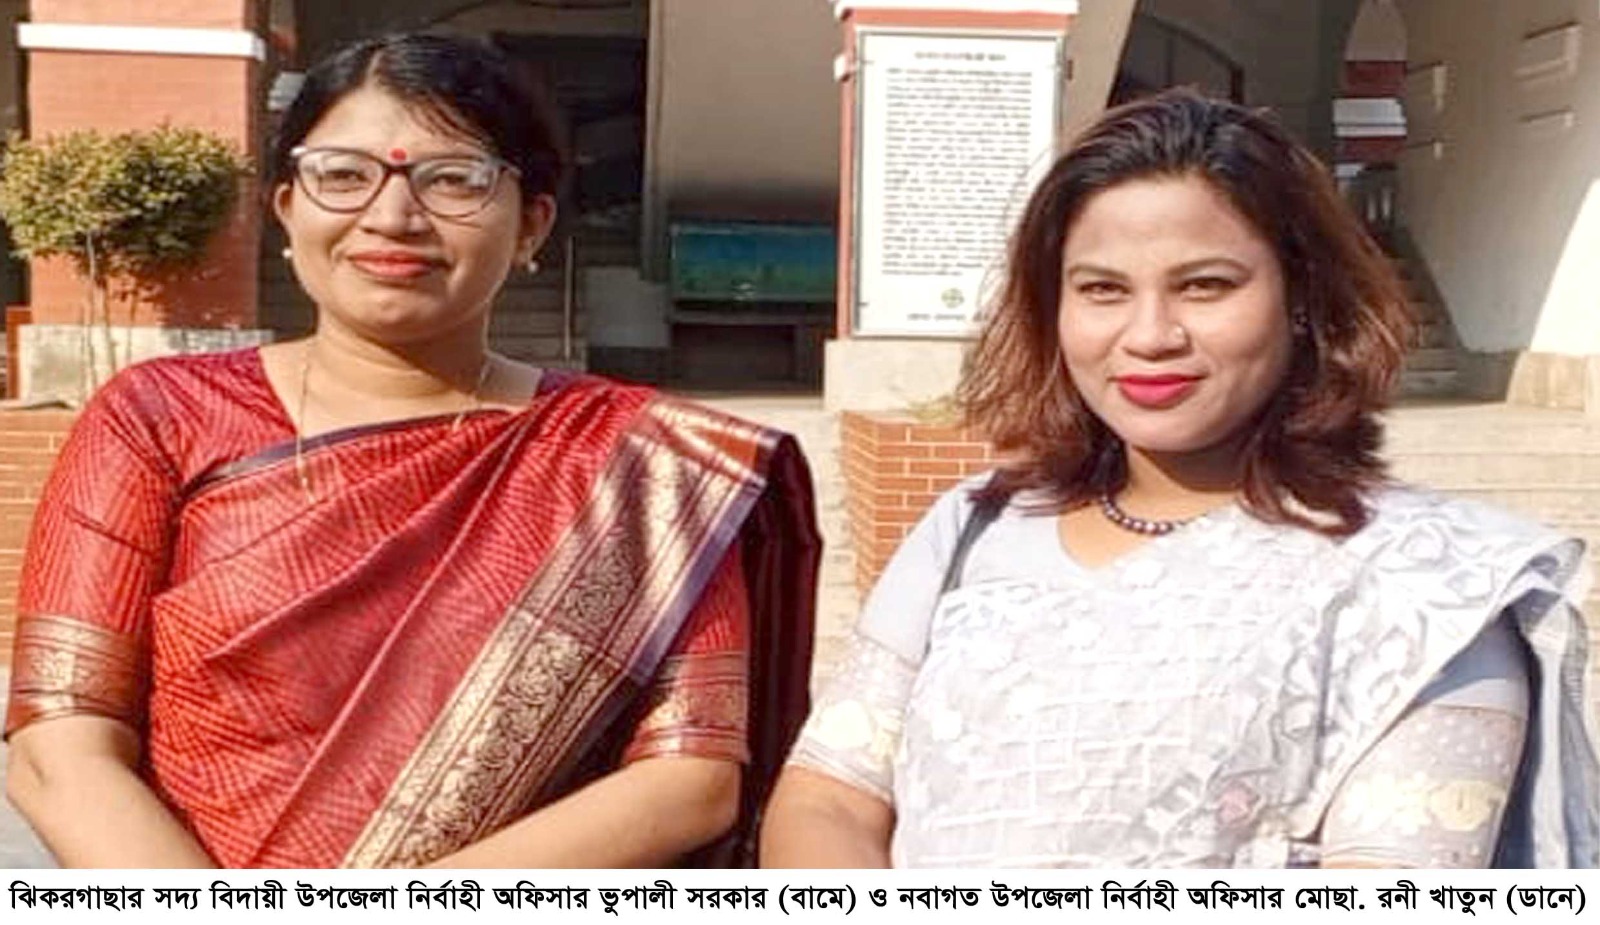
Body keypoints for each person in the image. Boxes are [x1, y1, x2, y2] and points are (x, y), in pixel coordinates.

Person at [4, 32, 820, 869]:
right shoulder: (160, 416)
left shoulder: (645, 465)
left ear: (532, 223)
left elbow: (689, 776)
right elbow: (61, 740)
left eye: (455, 179)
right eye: (342, 175)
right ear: (286, 206)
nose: (392, 217)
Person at [761, 89, 1597, 868]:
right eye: (1102, 290)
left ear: (1304, 299)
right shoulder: (974, 528)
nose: (1150, 335)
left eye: (1204, 286)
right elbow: (828, 800)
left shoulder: (1433, 589)